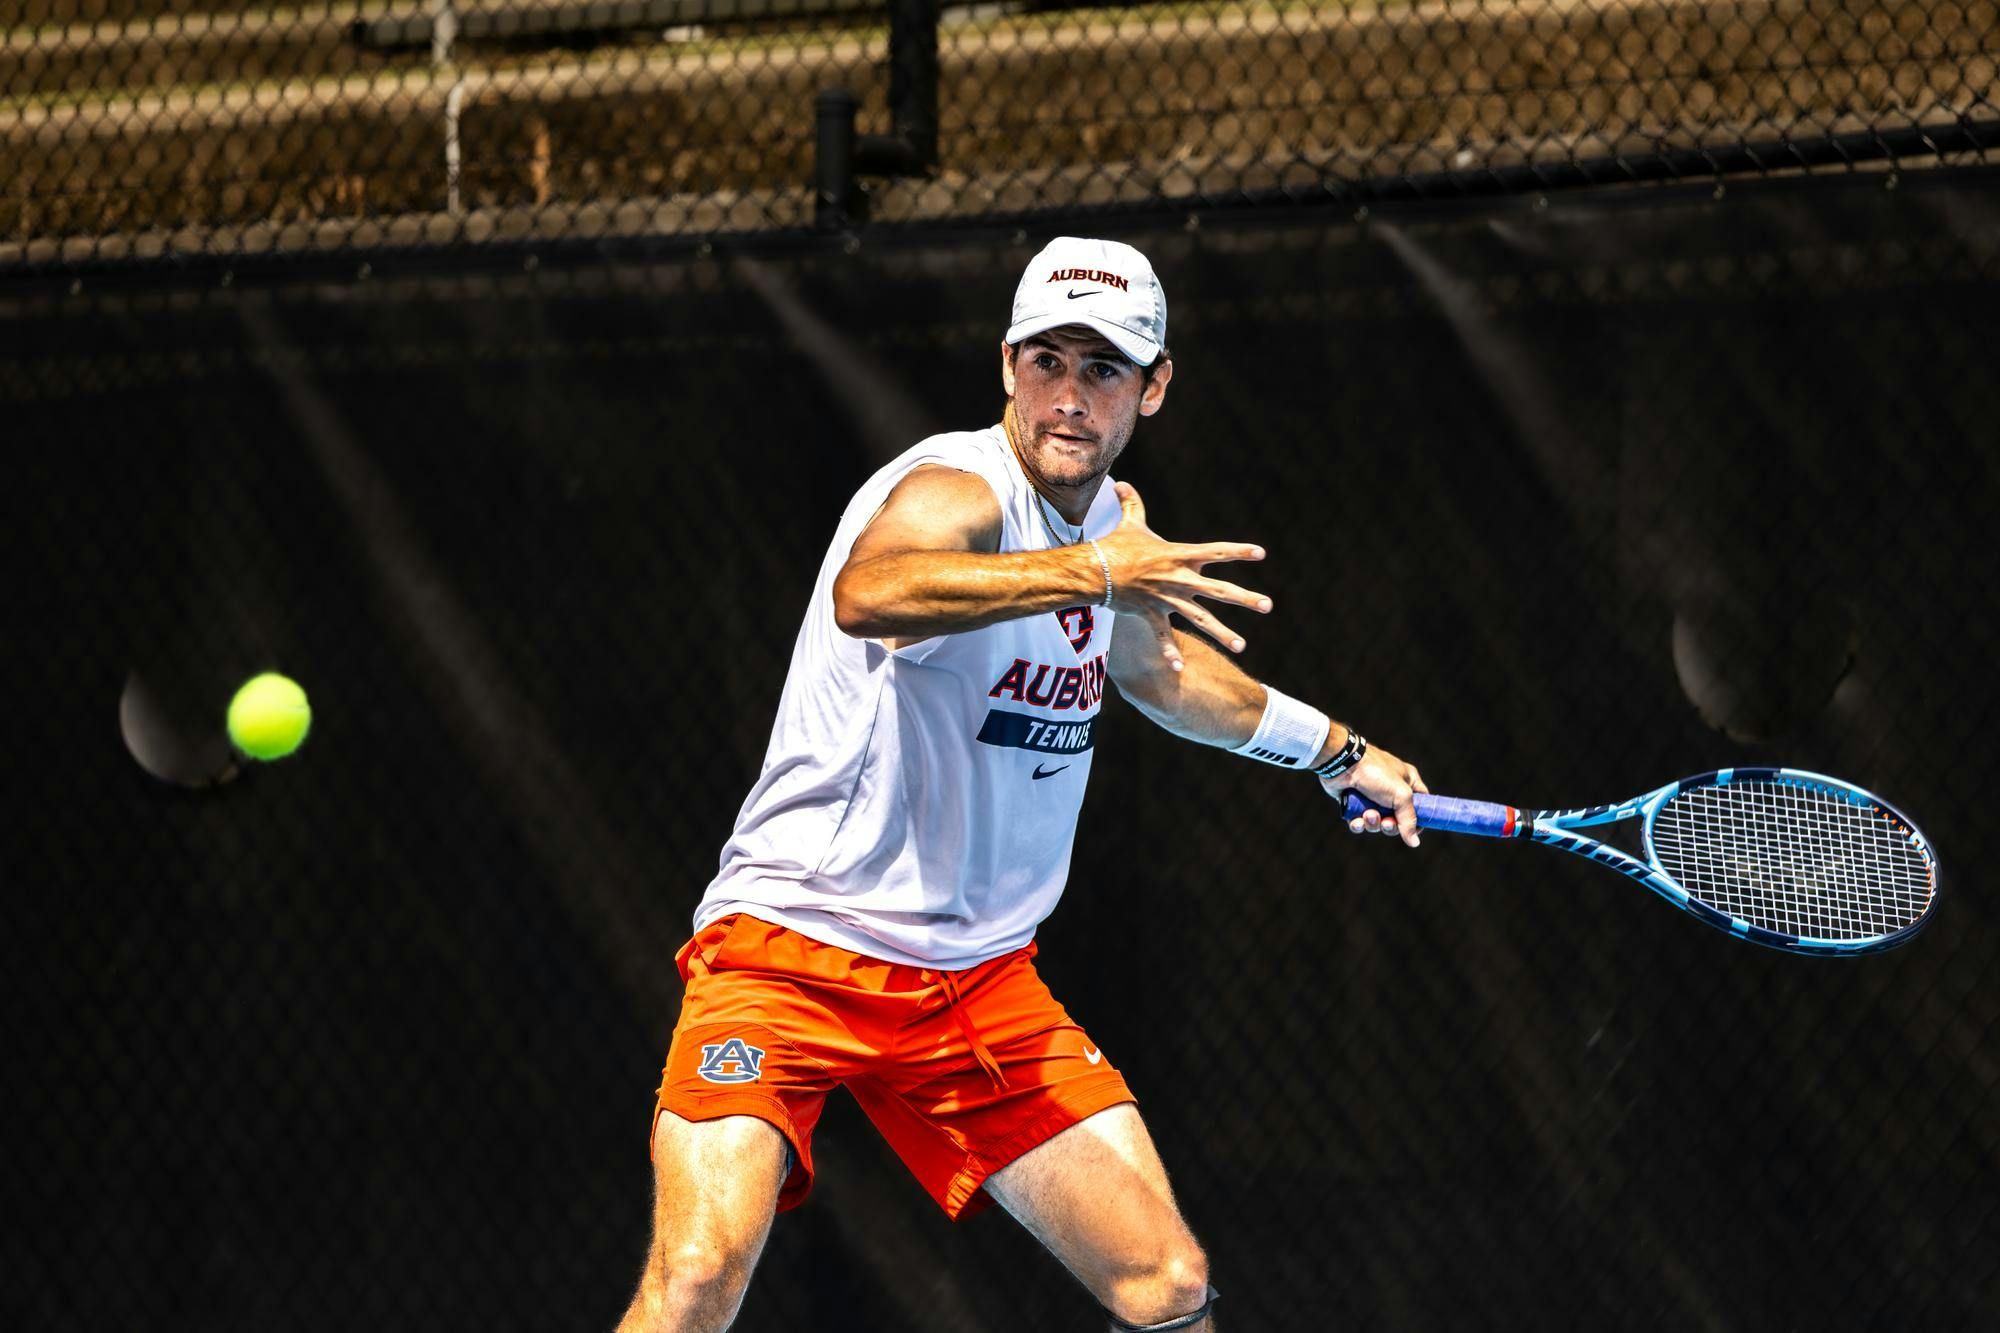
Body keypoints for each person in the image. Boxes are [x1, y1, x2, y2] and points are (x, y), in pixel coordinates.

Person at [620, 237, 1427, 1332]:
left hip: (974, 982)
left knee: (1167, 1285)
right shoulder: (954, 486)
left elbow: (1164, 671)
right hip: (792, 949)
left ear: (1153, 387)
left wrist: (1336, 748)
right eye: (1046, 361)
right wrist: (1098, 570)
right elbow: (873, 591)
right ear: (1007, 364)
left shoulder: (1114, 524)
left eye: (1102, 371)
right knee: (700, 1273)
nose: (1069, 398)